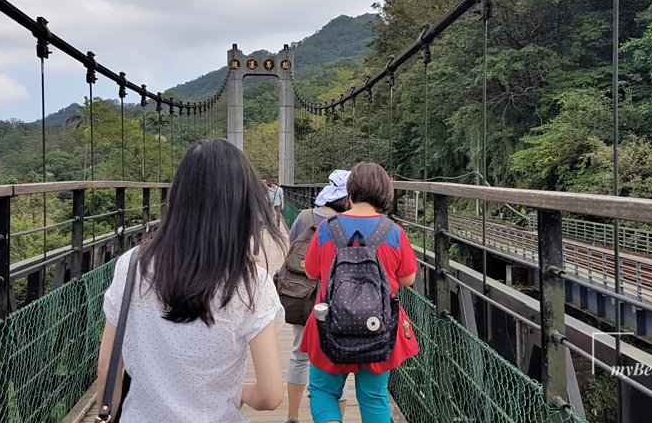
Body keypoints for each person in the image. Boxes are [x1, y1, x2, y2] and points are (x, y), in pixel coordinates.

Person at [97, 139, 286, 422]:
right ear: (244, 202)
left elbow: (108, 367)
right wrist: (241, 394)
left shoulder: (133, 265)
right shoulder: (251, 283)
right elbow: (271, 396)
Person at [301, 162, 420, 423]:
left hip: (329, 325)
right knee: (374, 396)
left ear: (349, 193)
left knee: (323, 391)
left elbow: (311, 272)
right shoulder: (394, 231)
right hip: (379, 326)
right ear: (384, 194)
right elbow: (408, 278)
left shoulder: (326, 229)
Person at [283, 169, 351, 423]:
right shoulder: (350, 224)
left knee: (299, 354)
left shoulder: (304, 216)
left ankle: (292, 417)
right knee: (337, 359)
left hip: (302, 295)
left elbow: (292, 249)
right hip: (336, 299)